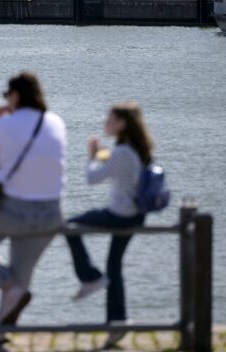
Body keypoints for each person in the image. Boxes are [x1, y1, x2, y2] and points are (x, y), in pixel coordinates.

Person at [0, 72, 66, 338]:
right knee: (20, 276)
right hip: (52, 215)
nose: (5, 100)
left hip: (14, 212)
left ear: (16, 95)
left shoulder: (4, 124)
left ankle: (9, 290)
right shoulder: (55, 121)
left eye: (6, 95)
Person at [65, 102, 153, 349]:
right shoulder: (135, 149)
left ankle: (90, 277)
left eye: (110, 119)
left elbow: (92, 178)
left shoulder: (123, 152)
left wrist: (91, 156)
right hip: (135, 215)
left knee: (69, 226)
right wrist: (103, 155)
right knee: (114, 267)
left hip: (119, 215)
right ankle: (117, 323)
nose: (105, 122)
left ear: (122, 124)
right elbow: (118, 167)